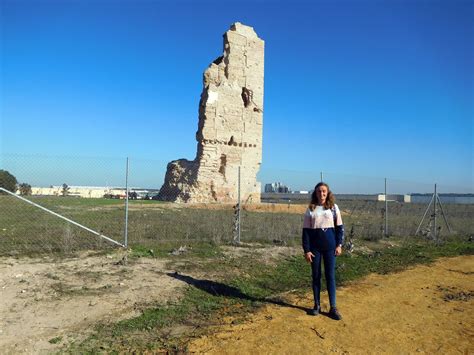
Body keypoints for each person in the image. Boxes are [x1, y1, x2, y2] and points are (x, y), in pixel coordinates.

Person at [302, 182, 344, 320]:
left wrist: (339, 245)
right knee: (316, 276)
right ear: (315, 193)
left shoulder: (333, 208)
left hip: (330, 248)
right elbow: (306, 232)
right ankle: (317, 305)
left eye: (324, 191)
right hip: (315, 249)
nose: (322, 193)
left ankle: (333, 307)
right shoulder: (311, 209)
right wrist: (307, 250)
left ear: (328, 192)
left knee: (330, 276)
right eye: (319, 191)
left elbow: (339, 228)